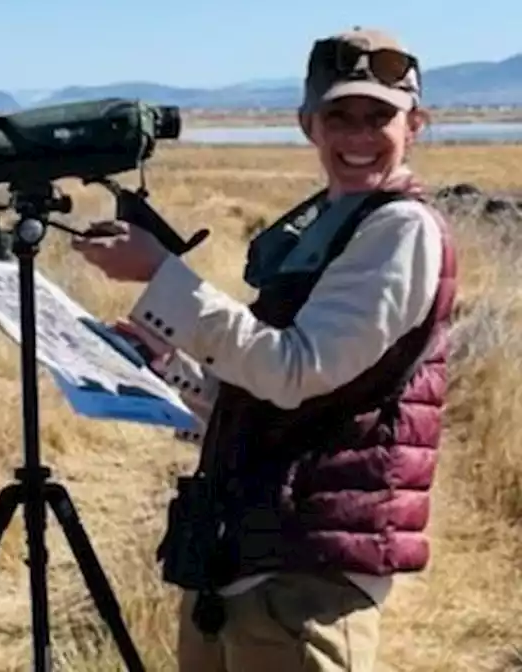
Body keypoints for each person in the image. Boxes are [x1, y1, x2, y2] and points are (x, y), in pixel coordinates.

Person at [72, 27, 457, 672]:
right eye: (339, 116)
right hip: (246, 560)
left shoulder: (401, 230)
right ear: (308, 124)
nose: (358, 136)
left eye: (379, 117)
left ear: (415, 124)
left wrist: (164, 277)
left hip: (308, 579)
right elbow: (263, 392)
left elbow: (294, 371)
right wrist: (169, 364)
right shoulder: (332, 228)